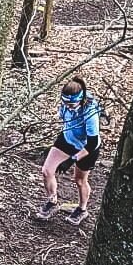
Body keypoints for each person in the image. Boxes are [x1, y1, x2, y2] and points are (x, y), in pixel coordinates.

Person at [35, 77, 101, 225]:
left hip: (86, 148)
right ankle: (52, 201)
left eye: (71, 104)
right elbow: (63, 117)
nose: (68, 106)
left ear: (80, 100)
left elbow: (92, 143)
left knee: (79, 180)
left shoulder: (90, 113)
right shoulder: (66, 105)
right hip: (67, 138)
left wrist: (72, 159)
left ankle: (82, 209)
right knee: (47, 171)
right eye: (65, 103)